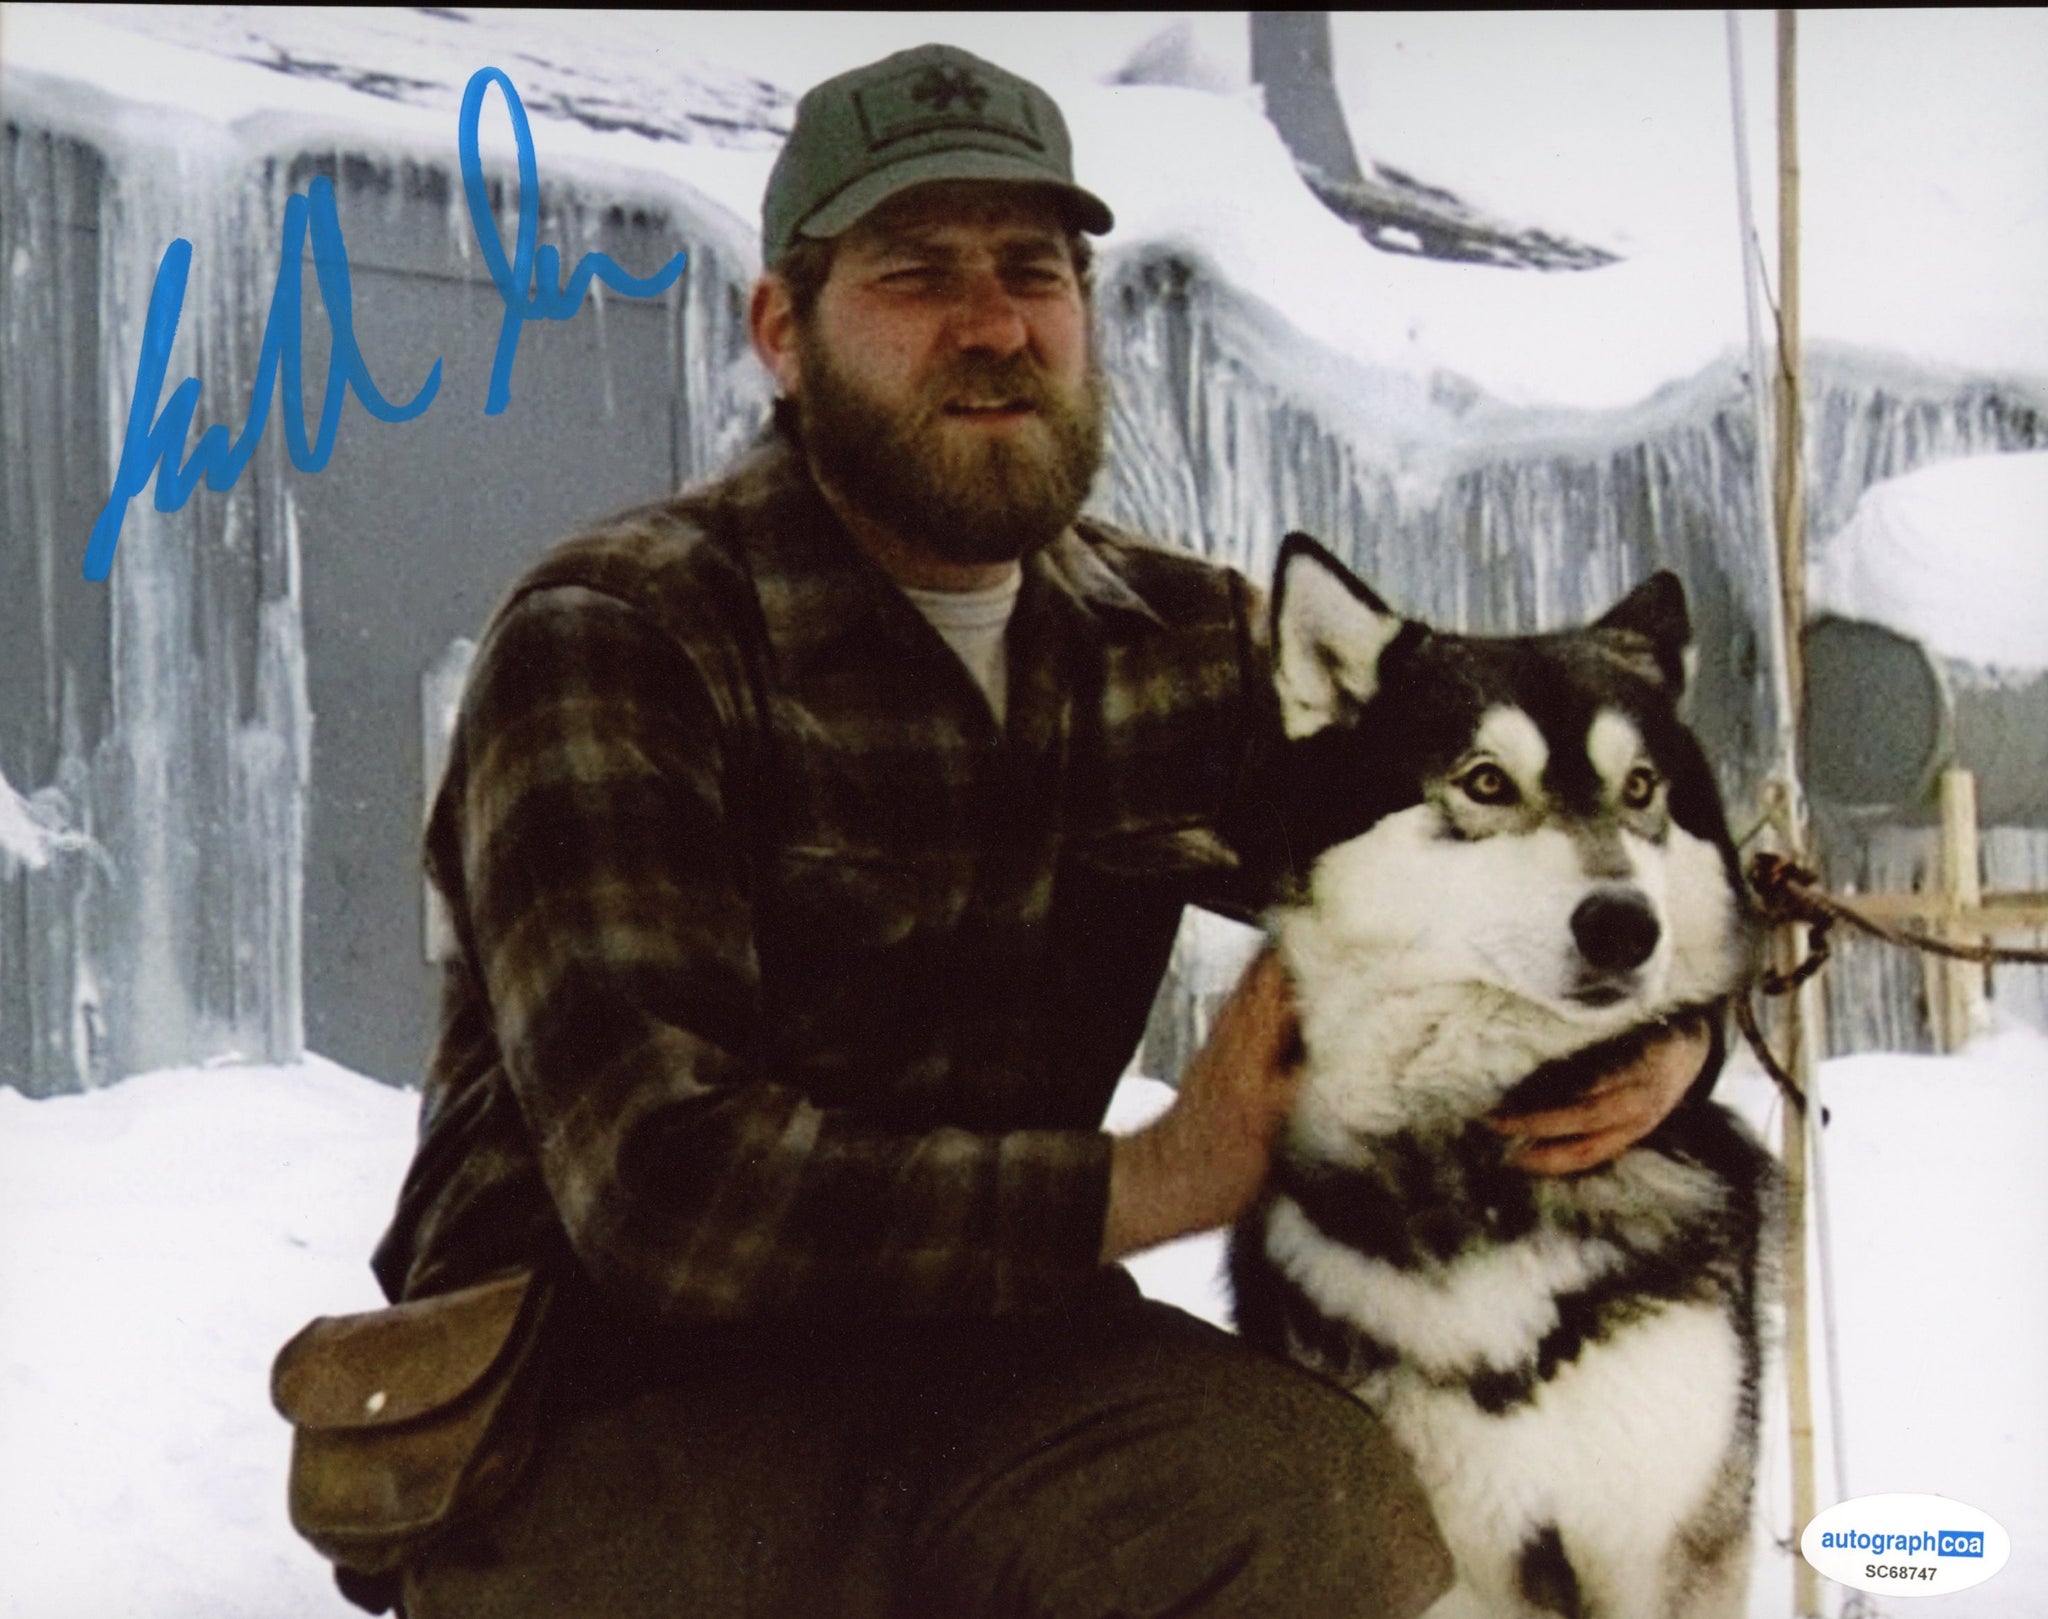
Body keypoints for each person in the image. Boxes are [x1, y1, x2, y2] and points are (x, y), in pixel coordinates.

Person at [371, 42, 1712, 1619]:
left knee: (1325, 1510)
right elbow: (671, 1193)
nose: (995, 325)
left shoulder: (1177, 641)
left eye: (1036, 271)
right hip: (619, 1389)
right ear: (783, 333)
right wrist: (1152, 1180)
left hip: (994, 1365)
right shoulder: (619, 638)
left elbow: (1486, 822)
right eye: (919, 274)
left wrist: (1678, 1011)